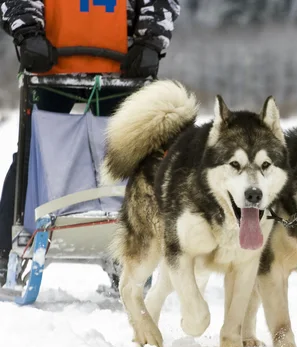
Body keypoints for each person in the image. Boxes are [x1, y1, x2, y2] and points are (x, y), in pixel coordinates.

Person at [0, 0, 181, 286]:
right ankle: (6, 250)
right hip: (51, 63)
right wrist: (29, 33)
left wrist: (150, 41)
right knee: (35, 155)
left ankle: (131, 248)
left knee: (127, 156)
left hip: (123, 66)